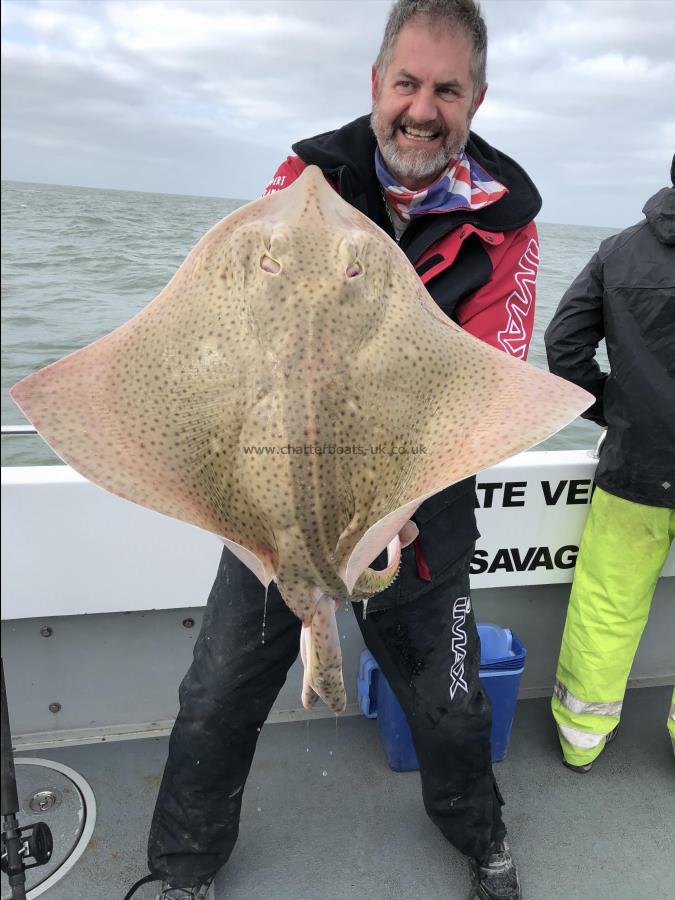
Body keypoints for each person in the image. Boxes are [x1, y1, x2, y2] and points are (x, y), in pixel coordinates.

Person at [127, 2, 542, 898]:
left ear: (476, 99)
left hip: (417, 504)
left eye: (446, 89)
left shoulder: (504, 221)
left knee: (451, 703)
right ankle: (185, 871)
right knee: (217, 693)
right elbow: (217, 340)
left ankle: (483, 841)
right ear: (374, 83)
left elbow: (484, 384)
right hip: (273, 492)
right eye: (407, 83)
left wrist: (389, 513)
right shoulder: (300, 182)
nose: (422, 109)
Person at [545, 155, 675, 774]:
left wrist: (612, 409)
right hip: (638, 462)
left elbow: (563, 345)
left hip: (634, 468)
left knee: (607, 603)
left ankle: (581, 739)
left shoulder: (618, 252)